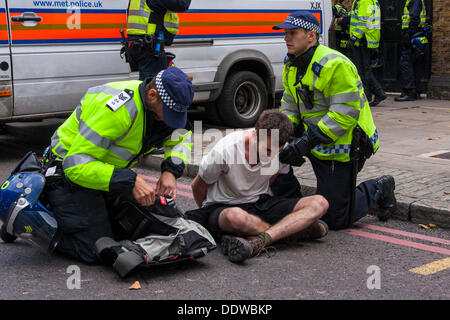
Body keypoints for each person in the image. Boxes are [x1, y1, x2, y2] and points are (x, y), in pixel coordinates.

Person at [43, 67, 194, 264]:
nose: (169, 120)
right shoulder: (117, 110)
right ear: (152, 94)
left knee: (141, 225)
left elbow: (181, 136)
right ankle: (43, 222)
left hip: (106, 173)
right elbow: (75, 166)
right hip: (67, 173)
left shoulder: (159, 107)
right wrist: (131, 181)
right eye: (167, 113)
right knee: (98, 247)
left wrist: (170, 172)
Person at [273, 11, 397, 231]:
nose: (286, 38)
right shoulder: (292, 64)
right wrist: (286, 135)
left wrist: (304, 143)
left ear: (311, 36)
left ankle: (380, 188)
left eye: (292, 33)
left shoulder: (335, 65)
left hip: (345, 145)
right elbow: (290, 105)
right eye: (285, 33)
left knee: (335, 219)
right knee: (270, 155)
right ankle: (291, 202)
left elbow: (345, 114)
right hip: (314, 140)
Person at [186, 110, 329, 263]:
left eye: (276, 151)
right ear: (255, 133)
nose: (271, 156)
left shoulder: (282, 149)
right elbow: (198, 186)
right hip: (224, 208)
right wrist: (209, 219)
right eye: (267, 150)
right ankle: (290, 232)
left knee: (320, 203)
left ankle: (257, 239)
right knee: (236, 217)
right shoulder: (225, 150)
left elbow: (271, 179)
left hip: (259, 205)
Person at [125, 0, 191, 80]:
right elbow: (182, 4)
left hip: (139, 43)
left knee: (147, 85)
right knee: (152, 87)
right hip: (149, 46)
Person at [343, 0, 386, 106]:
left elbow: (363, 22)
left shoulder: (364, 1)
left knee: (361, 69)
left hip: (363, 39)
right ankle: (377, 93)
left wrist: (353, 38)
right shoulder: (368, 1)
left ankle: (368, 96)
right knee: (364, 68)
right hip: (367, 38)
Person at [395, 0, 428, 102]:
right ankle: (416, 91)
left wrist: (408, 35)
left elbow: (414, 18)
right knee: (415, 64)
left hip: (413, 35)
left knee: (406, 63)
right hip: (416, 34)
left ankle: (409, 91)